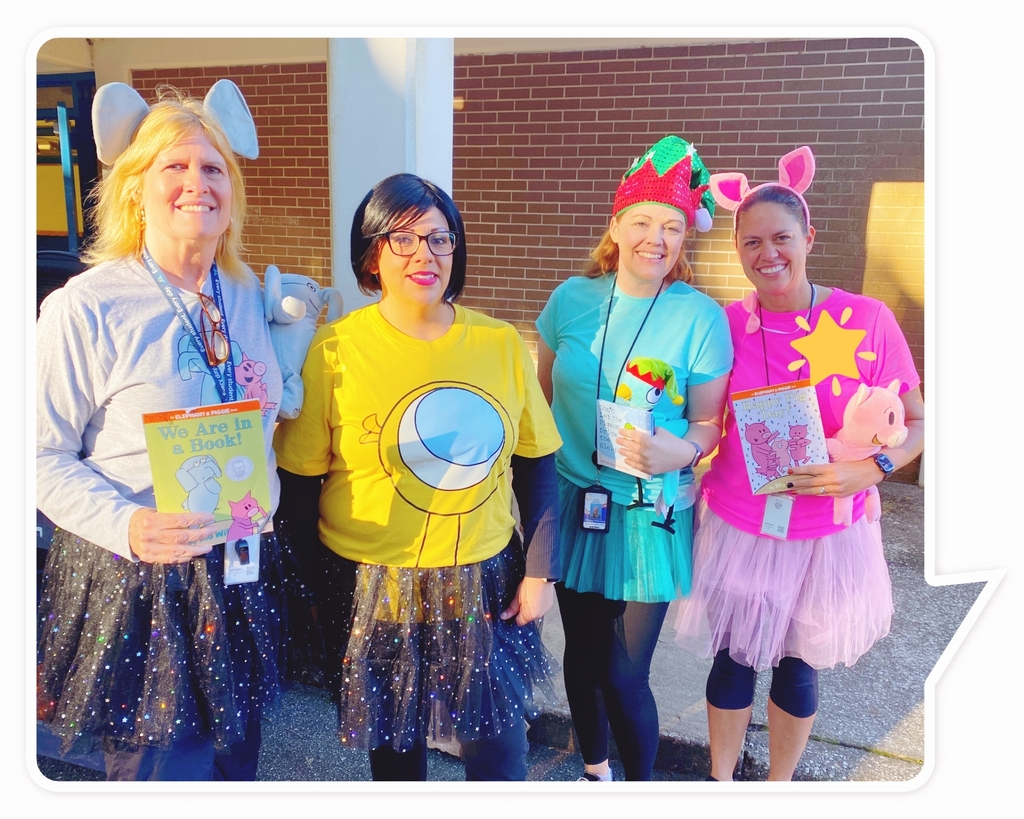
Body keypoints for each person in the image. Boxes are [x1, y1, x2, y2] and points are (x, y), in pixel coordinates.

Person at [36, 81, 288, 781]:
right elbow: (35, 456)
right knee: (161, 776)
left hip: (238, 570)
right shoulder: (86, 307)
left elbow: (260, 414)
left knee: (237, 769)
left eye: (212, 168)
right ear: (133, 188)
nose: (195, 183)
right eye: (172, 166)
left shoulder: (243, 295)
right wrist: (128, 523)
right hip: (141, 583)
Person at [273, 173, 562, 781]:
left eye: (438, 238)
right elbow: (297, 491)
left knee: (499, 753)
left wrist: (538, 573)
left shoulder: (500, 342)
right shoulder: (333, 350)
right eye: (400, 240)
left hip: (483, 575)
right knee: (396, 752)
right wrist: (314, 596)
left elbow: (537, 464)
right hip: (369, 582)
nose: (423, 255)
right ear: (370, 256)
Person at [673, 146, 926, 781]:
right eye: (752, 241)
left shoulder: (867, 320)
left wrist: (872, 469)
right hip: (741, 525)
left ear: (808, 236)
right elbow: (698, 414)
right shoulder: (723, 323)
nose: (768, 254)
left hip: (829, 534)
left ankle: (780, 789)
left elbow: (919, 422)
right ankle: (722, 783)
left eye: (781, 237)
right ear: (737, 248)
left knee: (797, 664)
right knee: (733, 660)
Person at [535, 135, 733, 781]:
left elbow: (707, 421)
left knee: (623, 671)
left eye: (673, 226)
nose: (657, 237)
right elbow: (543, 396)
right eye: (643, 221)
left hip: (652, 510)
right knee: (582, 656)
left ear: (685, 238)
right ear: (615, 225)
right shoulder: (570, 298)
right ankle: (596, 771)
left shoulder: (702, 317)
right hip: (574, 498)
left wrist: (685, 447)